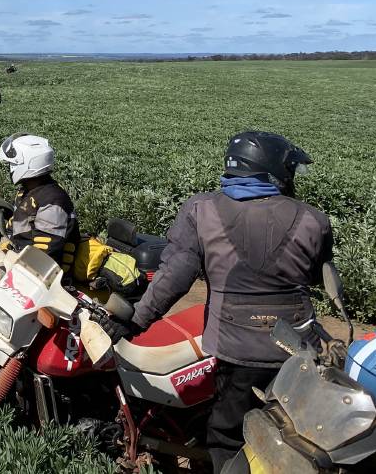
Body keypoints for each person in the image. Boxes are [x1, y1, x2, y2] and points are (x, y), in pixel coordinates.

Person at [97, 131, 328, 473]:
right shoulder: (314, 219)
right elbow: (313, 277)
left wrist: (133, 321)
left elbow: (174, 277)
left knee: (227, 435)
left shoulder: (201, 210)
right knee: (300, 431)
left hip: (237, 350)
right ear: (274, 172)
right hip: (298, 347)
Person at [0, 134, 79, 267]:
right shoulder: (26, 191)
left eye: (12, 164)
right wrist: (6, 244)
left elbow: (45, 254)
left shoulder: (53, 200)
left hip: (44, 278)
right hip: (18, 260)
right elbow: (16, 225)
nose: (10, 169)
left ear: (28, 164)